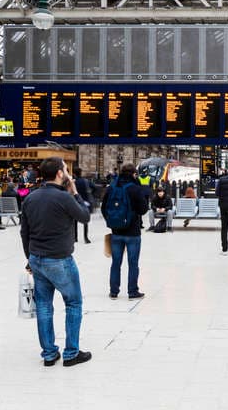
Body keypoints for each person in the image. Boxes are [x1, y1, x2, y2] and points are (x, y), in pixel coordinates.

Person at [20, 157, 92, 368]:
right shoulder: (65, 197)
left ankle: (49, 353)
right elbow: (85, 217)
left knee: (43, 305)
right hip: (60, 259)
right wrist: (75, 191)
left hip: (37, 258)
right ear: (61, 174)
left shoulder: (31, 198)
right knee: (73, 302)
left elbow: (24, 232)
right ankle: (71, 353)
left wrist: (29, 259)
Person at [102, 163, 148, 300]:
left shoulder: (112, 188)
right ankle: (132, 291)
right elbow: (143, 209)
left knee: (116, 262)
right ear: (134, 174)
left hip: (116, 232)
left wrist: (112, 223)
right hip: (132, 232)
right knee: (133, 263)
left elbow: (104, 208)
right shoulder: (134, 188)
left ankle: (114, 291)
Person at [73, 168, 95, 244]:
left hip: (76, 201)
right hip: (85, 201)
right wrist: (90, 193)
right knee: (85, 220)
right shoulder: (86, 181)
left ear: (74, 174)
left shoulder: (73, 182)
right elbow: (94, 187)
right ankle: (86, 238)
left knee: (75, 220)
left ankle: (75, 237)